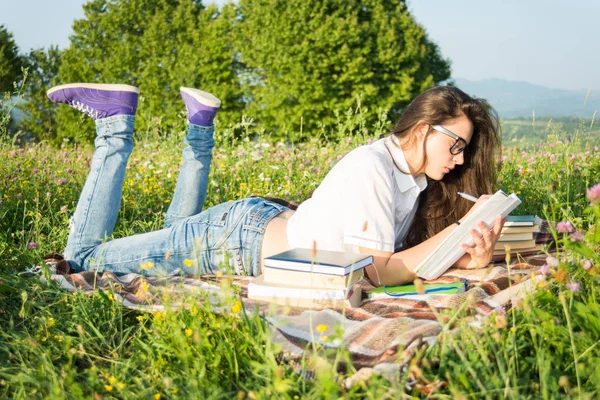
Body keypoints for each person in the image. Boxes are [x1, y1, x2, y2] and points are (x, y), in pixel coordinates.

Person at [46, 83, 503, 286]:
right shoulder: (373, 168)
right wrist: (454, 237)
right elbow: (378, 271)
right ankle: (114, 123)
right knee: (84, 258)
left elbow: (400, 261)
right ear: (423, 129)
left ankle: (200, 127)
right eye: (456, 145)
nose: (459, 160)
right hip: (235, 241)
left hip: (251, 226)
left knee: (179, 226)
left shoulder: (412, 179)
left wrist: (466, 258)